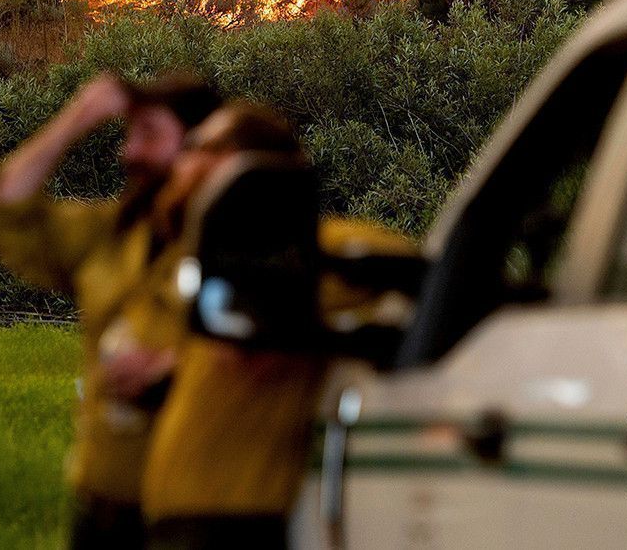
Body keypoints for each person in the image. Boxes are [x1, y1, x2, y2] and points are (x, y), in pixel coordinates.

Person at [141, 102, 420, 550]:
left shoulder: (312, 248)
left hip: (235, 522)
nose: (183, 160)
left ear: (247, 162)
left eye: (199, 146)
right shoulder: (222, 256)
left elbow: (416, 269)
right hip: (185, 517)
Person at [0, 72, 222, 549]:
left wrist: (174, 369)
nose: (129, 153)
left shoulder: (244, 244)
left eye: (149, 135)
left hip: (196, 516)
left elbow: (283, 340)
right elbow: (0, 215)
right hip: (104, 511)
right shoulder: (110, 235)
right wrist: (76, 119)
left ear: (197, 147)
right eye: (130, 135)